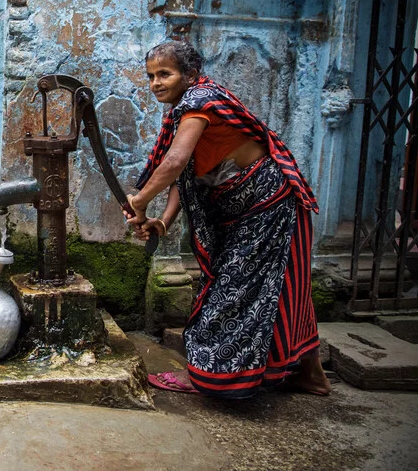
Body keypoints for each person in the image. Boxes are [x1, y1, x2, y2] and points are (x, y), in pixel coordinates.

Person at [127, 40, 330, 398]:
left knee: (228, 290)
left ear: (189, 75)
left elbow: (173, 163)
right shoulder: (187, 108)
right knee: (287, 290)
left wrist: (140, 201)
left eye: (165, 74)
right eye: (151, 76)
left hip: (268, 203)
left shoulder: (197, 104)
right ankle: (310, 375)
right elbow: (187, 176)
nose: (156, 82)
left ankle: (205, 375)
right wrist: (164, 220)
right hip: (257, 206)